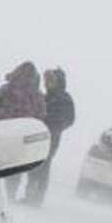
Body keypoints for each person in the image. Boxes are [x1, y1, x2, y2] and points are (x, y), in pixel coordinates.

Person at [0, 61, 44, 201]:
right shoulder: (37, 95)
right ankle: (9, 195)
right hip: (22, 136)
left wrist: (3, 113)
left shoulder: (8, 88)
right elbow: (41, 115)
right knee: (15, 166)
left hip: (1, 131)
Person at [24, 67, 74, 204]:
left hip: (50, 139)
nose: (47, 84)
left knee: (42, 168)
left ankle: (35, 198)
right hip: (39, 137)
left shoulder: (64, 99)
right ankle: (31, 196)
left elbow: (69, 119)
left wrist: (51, 125)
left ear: (59, 82)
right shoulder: (48, 96)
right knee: (34, 167)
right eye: (47, 81)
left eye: (51, 81)